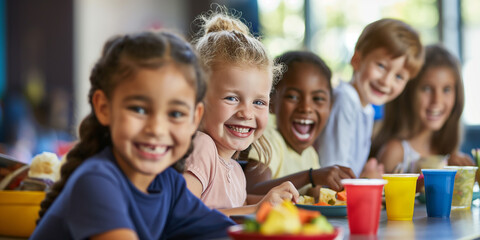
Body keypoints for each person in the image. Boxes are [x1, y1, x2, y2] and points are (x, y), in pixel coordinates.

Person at [31, 31, 234, 240]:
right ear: (104, 108)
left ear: (194, 119)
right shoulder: (96, 182)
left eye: (175, 114)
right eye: (139, 109)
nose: (157, 129)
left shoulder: (169, 185)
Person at [183, 7, 299, 216]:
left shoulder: (234, 169)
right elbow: (180, 217)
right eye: (232, 98)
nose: (247, 113)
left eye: (259, 102)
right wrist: (256, 208)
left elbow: (234, 206)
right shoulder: (201, 147)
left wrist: (271, 201)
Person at [313, 18, 425, 178]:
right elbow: (333, 172)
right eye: (381, 66)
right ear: (357, 60)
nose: (386, 81)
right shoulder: (346, 100)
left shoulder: (365, 108)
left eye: (399, 76)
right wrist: (366, 180)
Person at [241, 51, 356, 196]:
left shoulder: (310, 154)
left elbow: (314, 195)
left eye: (318, 99)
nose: (306, 108)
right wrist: (310, 177)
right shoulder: (268, 141)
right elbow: (252, 190)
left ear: (330, 106)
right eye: (293, 97)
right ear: (270, 102)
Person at [371, 44, 474, 173]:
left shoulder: (447, 153)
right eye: (426, 89)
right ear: (408, 93)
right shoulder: (395, 152)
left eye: (446, 90)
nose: (437, 100)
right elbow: (384, 193)